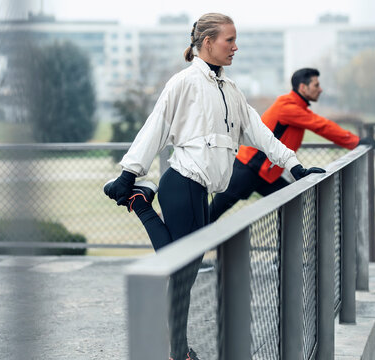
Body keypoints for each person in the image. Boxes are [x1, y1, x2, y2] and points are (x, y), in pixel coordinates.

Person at [103, 13, 325, 360]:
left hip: (200, 190)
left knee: (182, 271)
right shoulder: (184, 83)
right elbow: (155, 127)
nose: (236, 47)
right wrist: (130, 172)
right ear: (208, 43)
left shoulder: (231, 90)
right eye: (229, 40)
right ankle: (179, 352)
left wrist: (294, 166)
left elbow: (260, 134)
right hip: (183, 183)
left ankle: (142, 203)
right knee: (181, 271)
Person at [209, 67, 375, 222]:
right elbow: (321, 126)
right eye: (316, 85)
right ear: (303, 87)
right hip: (248, 169)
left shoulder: (298, 107)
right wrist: (356, 142)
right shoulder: (288, 107)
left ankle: (287, 252)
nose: (321, 89)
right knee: (213, 213)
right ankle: (190, 246)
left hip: (265, 174)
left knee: (294, 203)